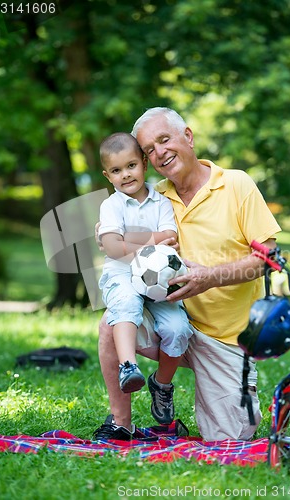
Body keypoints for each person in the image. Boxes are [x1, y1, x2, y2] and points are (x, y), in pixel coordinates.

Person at [93, 108, 281, 442]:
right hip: (169, 316)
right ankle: (121, 422)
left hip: (227, 340)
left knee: (231, 438)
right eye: (149, 149)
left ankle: (163, 388)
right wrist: (110, 239)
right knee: (112, 322)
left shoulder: (236, 184)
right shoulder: (151, 196)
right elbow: (114, 238)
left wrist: (208, 277)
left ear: (188, 137)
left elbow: (265, 259)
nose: (159, 152)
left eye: (164, 140)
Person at [97, 132, 193, 425]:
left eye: (131, 166)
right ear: (107, 175)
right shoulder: (111, 206)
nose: (125, 175)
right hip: (122, 276)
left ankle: (162, 384)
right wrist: (153, 242)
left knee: (178, 328)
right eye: (116, 171)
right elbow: (113, 250)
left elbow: (171, 238)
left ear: (144, 165)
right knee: (125, 303)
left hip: (159, 281)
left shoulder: (161, 203)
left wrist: (125, 240)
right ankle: (129, 366)